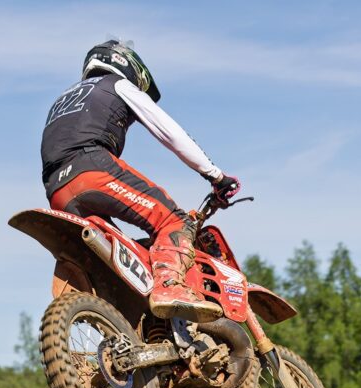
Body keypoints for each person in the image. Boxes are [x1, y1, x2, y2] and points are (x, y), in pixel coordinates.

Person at [40, 39, 241, 323]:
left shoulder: (62, 101)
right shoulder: (117, 84)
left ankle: (126, 334)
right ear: (126, 64)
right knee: (174, 221)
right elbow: (170, 132)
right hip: (92, 170)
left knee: (121, 267)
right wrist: (215, 175)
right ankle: (170, 286)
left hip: (56, 189)